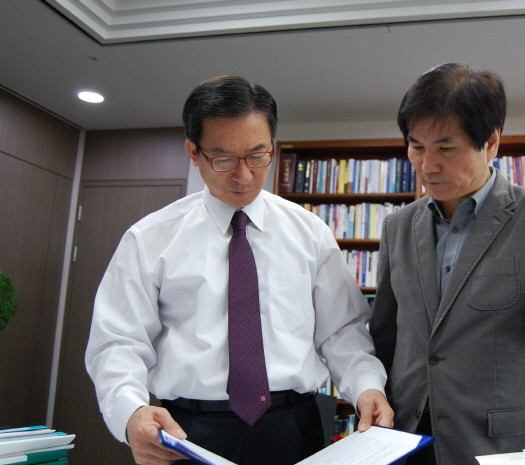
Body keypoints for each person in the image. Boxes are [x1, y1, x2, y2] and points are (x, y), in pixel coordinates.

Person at [85, 75, 393, 465]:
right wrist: (130, 411)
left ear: (272, 147)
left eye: (257, 155)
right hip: (189, 431)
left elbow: (342, 331)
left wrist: (367, 387)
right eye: (224, 158)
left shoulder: (309, 232)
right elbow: (118, 342)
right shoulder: (149, 239)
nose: (243, 175)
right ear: (193, 152)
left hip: (294, 426)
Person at [369, 63, 525, 465]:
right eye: (416, 147)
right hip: (405, 436)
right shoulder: (398, 226)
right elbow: (385, 333)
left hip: (497, 444)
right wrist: (370, 393)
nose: (427, 166)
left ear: (491, 142)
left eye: (446, 148)